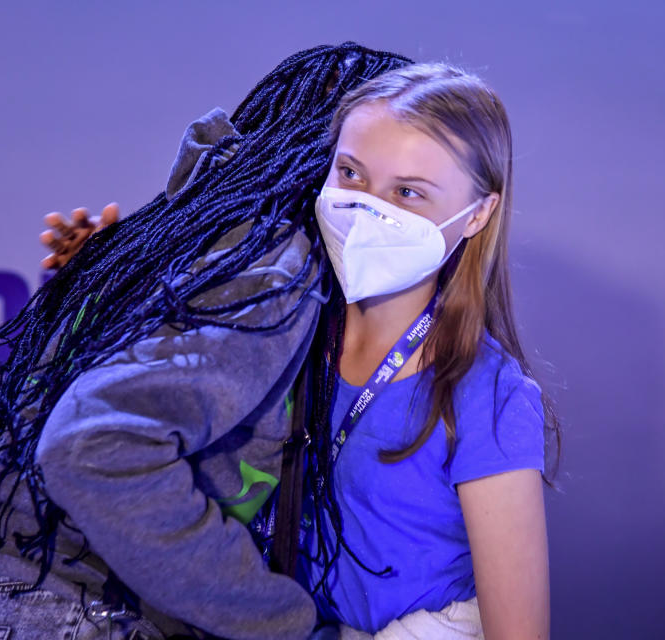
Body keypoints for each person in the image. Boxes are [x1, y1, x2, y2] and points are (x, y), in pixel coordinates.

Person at [0, 43, 413, 640]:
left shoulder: (173, 236)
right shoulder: (272, 263)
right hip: (79, 614)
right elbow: (95, 447)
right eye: (363, 164)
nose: (381, 195)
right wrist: (282, 623)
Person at [47, 62, 561, 639]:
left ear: (480, 213)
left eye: (408, 192)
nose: (369, 207)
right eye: (351, 173)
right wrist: (112, 277)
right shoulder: (284, 332)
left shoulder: (488, 396)